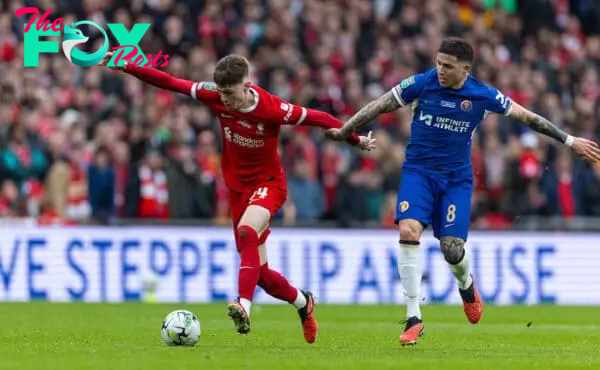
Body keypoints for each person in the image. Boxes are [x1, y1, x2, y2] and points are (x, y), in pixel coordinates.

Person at [326, 37, 600, 346]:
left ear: (465, 68)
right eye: (438, 63)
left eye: (447, 66)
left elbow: (528, 118)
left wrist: (569, 140)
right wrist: (346, 129)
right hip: (418, 173)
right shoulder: (422, 83)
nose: (440, 70)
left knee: (452, 248)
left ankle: (466, 285)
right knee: (408, 229)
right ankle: (414, 317)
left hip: (456, 181)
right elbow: (379, 104)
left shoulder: (482, 95)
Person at [98, 52, 376, 343]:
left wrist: (355, 140)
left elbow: (320, 117)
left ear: (247, 84)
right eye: (221, 93)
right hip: (237, 189)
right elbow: (169, 82)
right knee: (264, 276)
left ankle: (243, 305)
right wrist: (125, 65)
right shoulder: (215, 95)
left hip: (269, 184)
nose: (225, 100)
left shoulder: (272, 108)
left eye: (230, 93)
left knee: (246, 231)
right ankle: (303, 303)